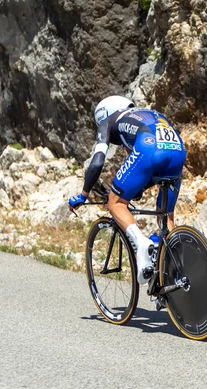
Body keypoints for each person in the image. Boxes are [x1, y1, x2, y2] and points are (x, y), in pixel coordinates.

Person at [68, 96, 186, 284]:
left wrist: (83, 194)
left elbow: (97, 161)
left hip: (149, 148)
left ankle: (141, 245)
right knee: (166, 217)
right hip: (178, 152)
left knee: (114, 202)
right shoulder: (151, 113)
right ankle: (173, 274)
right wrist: (139, 187)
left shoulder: (108, 121)